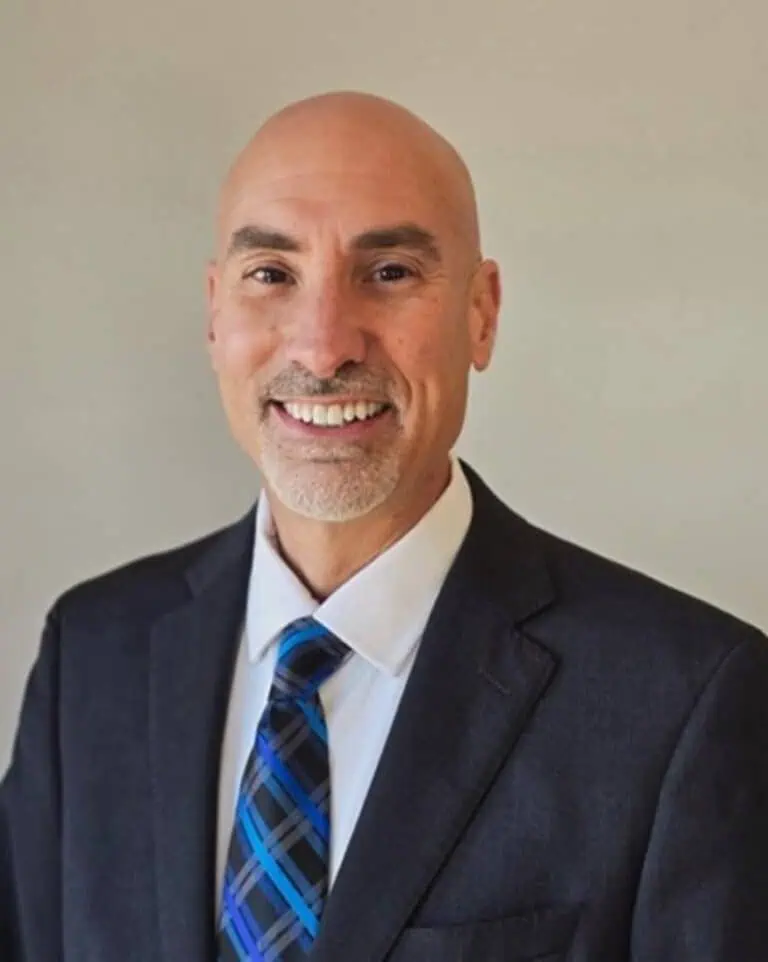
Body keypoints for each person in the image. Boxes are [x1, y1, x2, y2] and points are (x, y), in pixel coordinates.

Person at [1, 91, 767, 962]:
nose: (324, 348)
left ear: (481, 313)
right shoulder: (92, 655)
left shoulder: (683, 702)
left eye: (390, 272)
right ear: (215, 313)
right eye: (272, 275)